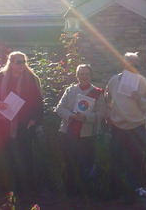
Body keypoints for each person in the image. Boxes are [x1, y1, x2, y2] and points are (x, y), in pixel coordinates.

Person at [0, 51, 44, 196]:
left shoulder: (31, 78)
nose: (21, 65)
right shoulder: (0, 77)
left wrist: (34, 119)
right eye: (18, 62)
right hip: (3, 125)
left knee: (22, 157)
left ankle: (23, 190)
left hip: (23, 125)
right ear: (10, 62)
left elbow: (38, 101)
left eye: (23, 62)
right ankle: (3, 189)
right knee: (3, 157)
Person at [105, 52, 146, 203]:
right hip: (118, 127)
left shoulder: (143, 82)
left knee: (135, 161)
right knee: (116, 160)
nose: (132, 67)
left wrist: (140, 99)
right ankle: (115, 191)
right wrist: (108, 115)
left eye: (135, 64)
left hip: (136, 127)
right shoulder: (114, 80)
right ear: (123, 64)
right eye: (129, 64)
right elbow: (106, 99)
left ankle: (133, 192)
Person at [55, 64, 105, 196]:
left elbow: (101, 114)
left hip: (87, 135)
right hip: (68, 134)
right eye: (81, 74)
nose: (83, 76)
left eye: (86, 74)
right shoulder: (70, 90)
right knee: (69, 164)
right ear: (77, 75)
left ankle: (86, 194)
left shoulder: (98, 92)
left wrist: (86, 117)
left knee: (86, 165)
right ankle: (69, 193)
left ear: (90, 76)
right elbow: (59, 109)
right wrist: (71, 115)